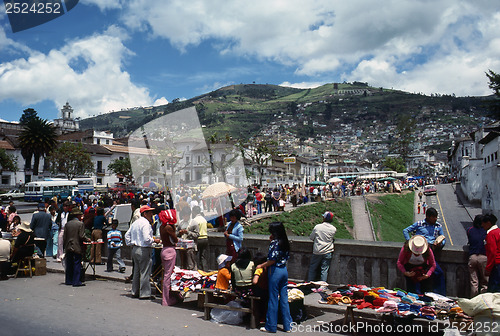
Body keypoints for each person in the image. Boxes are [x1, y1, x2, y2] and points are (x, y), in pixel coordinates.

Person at [256, 222, 292, 333]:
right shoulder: (285, 242)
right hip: (284, 270)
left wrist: (261, 265)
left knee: (273, 298)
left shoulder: (275, 244)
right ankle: (288, 326)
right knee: (284, 298)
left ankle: (271, 326)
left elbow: (272, 260)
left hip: (275, 271)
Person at [402, 207, 446, 295]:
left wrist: (440, 244)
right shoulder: (419, 224)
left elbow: (443, 238)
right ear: (428, 217)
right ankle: (417, 294)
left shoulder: (438, 226)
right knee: (418, 273)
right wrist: (410, 242)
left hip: (430, 250)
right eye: (433, 217)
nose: (435, 219)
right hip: (419, 249)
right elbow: (406, 230)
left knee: (438, 272)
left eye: (436, 217)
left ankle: (439, 294)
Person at [125, 205, 160, 299]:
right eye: (150, 212)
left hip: (135, 248)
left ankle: (135, 291)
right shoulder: (145, 224)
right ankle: (144, 293)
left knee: (136, 271)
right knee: (144, 272)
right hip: (143, 249)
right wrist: (154, 240)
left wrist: (131, 243)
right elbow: (146, 238)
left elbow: (127, 235)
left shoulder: (136, 223)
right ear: (145, 214)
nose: (151, 214)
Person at [308, 211, 337, 282]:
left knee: (313, 268)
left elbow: (311, 237)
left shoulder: (317, 227)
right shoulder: (333, 229)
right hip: (328, 251)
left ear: (324, 218)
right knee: (324, 270)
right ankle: (323, 285)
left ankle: (310, 283)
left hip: (317, 251)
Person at [63, 208, 88, 287]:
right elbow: (81, 236)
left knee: (69, 263)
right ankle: (76, 281)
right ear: (78, 215)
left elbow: (64, 237)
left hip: (68, 245)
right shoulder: (80, 224)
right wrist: (87, 239)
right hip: (76, 245)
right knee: (77, 263)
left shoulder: (67, 224)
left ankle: (68, 280)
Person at [159, 209, 179, 306]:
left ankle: (167, 297)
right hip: (170, 251)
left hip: (164, 250)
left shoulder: (161, 227)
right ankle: (166, 299)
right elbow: (175, 239)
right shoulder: (168, 227)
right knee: (168, 276)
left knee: (165, 275)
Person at [467, 214, 488, 296]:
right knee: (485, 281)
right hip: (483, 256)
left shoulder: (469, 230)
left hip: (472, 257)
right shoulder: (486, 231)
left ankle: (473, 298)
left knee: (474, 281)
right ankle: (483, 299)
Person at [481, 214, 500, 293]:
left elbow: (492, 253)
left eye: (483, 223)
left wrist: (488, 268)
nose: (482, 225)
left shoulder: (491, 234)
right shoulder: (498, 232)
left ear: (488, 223)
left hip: (496, 265)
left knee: (494, 290)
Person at [191, 206, 209, 271]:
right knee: (203, 256)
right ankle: (205, 270)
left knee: (195, 256)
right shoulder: (204, 219)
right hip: (205, 238)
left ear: (194, 212)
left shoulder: (194, 220)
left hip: (198, 239)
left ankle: (197, 270)